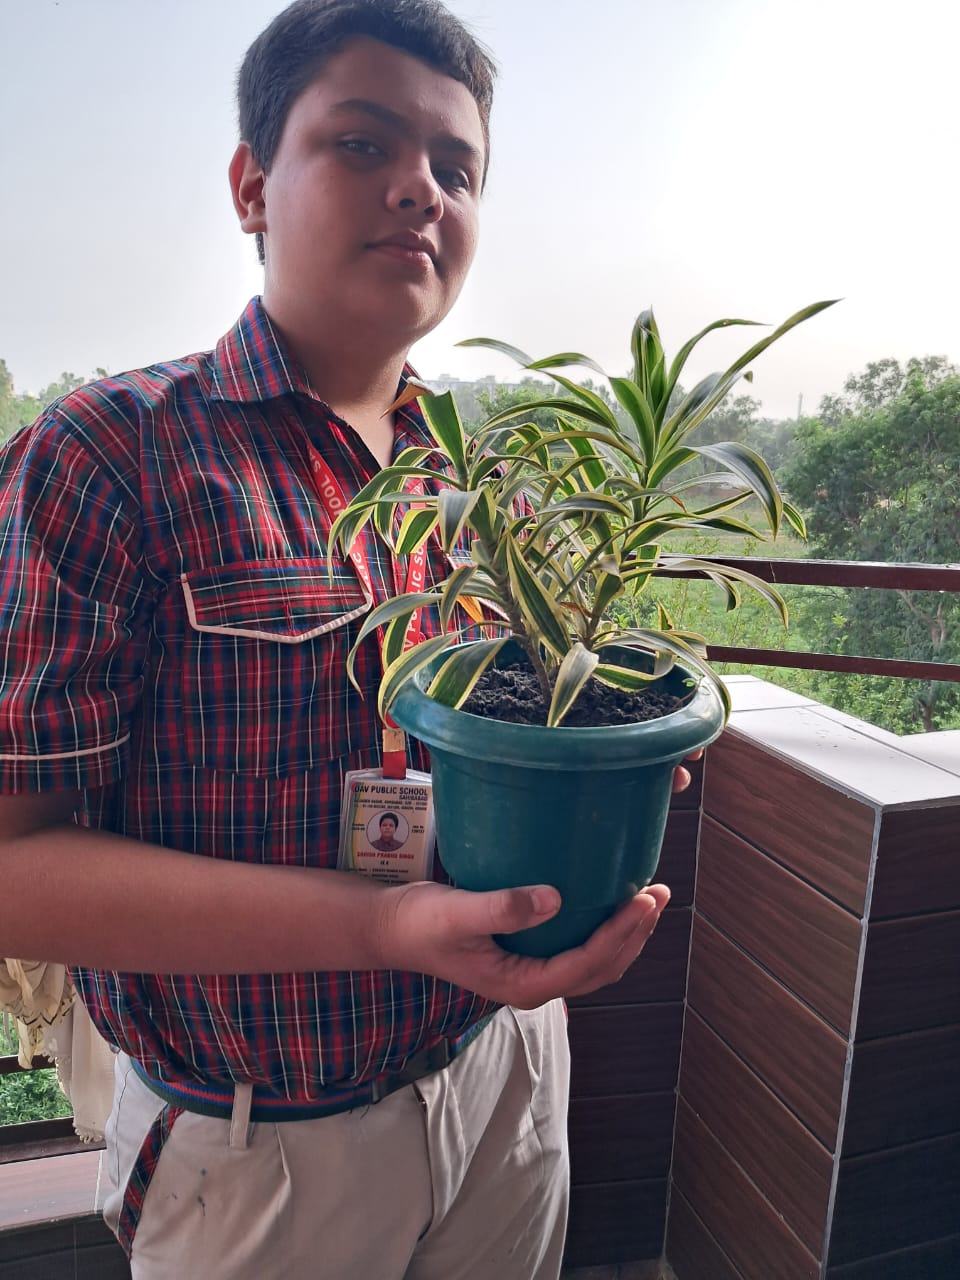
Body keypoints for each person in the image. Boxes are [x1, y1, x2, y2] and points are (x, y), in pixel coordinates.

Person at [0, 2, 681, 1276]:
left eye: (457, 167)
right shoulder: (108, 454)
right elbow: (13, 867)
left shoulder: (485, 477)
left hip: (504, 1068)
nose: (421, 188)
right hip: (263, 1150)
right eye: (362, 143)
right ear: (253, 186)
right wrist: (377, 927)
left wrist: (602, 764)